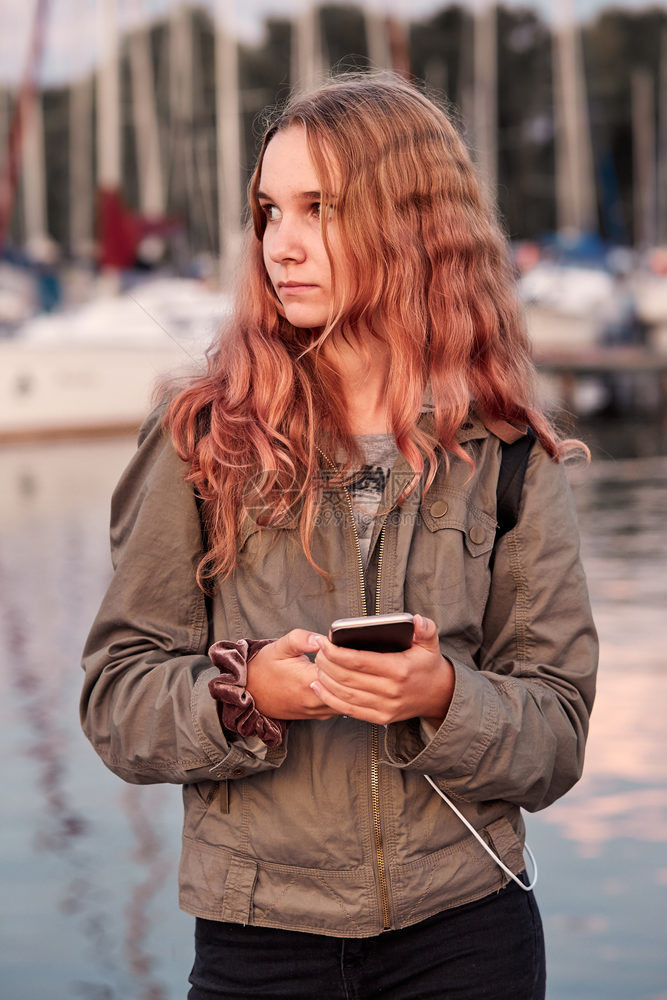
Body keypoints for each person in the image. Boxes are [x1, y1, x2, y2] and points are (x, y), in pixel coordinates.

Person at [81, 75, 598, 1000]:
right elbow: (118, 699)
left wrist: (442, 695)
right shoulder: (199, 439)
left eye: (319, 209)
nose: (282, 243)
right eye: (268, 210)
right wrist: (248, 695)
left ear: (412, 223)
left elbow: (557, 733)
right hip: (258, 941)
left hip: (467, 932)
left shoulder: (512, 456)